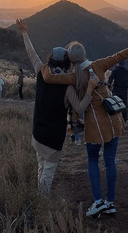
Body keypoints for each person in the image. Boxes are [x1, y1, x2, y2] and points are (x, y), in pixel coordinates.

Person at [25, 21, 128, 217]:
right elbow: (122, 54)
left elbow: (49, 78)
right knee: (110, 162)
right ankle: (110, 202)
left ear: (71, 59)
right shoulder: (99, 65)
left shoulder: (72, 77)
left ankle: (97, 202)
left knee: (93, 161)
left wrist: (44, 67)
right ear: (84, 54)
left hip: (95, 126)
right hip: (114, 120)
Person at [16, 19, 97, 194]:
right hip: (53, 138)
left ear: (51, 60)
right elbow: (81, 107)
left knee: (41, 167)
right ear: (67, 64)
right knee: (49, 171)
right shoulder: (67, 87)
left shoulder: (41, 72)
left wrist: (25, 33)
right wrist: (90, 89)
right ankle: (42, 200)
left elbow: (32, 54)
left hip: (37, 132)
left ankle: (40, 196)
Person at [108, 60, 128, 125]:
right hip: (124, 90)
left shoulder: (115, 70)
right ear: (124, 64)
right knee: (124, 105)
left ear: (118, 64)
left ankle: (116, 120)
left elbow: (110, 80)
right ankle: (126, 120)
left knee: (115, 105)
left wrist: (109, 86)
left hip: (116, 90)